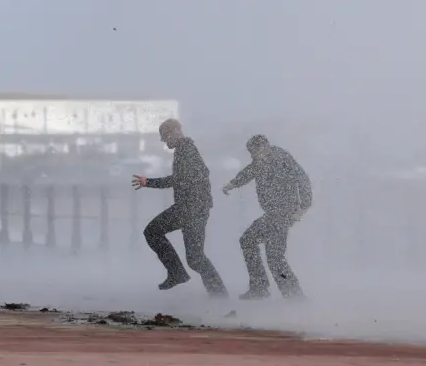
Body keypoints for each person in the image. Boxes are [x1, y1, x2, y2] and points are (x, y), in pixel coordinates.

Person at [131, 119, 228, 298]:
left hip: (189, 208)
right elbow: (200, 174)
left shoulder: (186, 150)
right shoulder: (187, 149)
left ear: (174, 131)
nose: (163, 141)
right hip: (197, 208)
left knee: (152, 232)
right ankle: (220, 298)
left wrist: (149, 182)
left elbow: (178, 179)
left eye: (164, 137)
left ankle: (177, 273)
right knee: (196, 258)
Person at [223, 135, 312, 300]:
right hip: (272, 214)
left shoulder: (282, 158)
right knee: (249, 241)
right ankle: (260, 287)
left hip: (283, 213)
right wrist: (233, 184)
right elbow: (249, 171)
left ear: (264, 147)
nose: (252, 156)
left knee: (274, 255)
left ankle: (294, 296)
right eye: (251, 153)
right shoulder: (260, 161)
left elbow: (302, 178)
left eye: (254, 152)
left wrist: (303, 207)